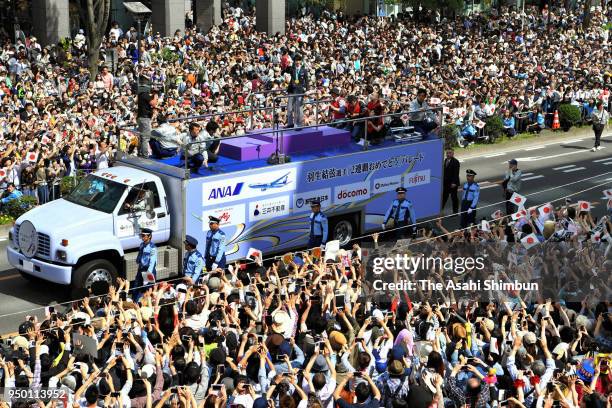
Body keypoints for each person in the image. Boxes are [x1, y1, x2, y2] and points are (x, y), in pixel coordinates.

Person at [286, 54, 308, 129]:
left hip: (300, 91)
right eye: (296, 60)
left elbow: (307, 81)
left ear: (301, 61)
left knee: (299, 108)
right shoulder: (292, 69)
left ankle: (299, 124)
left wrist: (307, 91)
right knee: (289, 108)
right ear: (294, 61)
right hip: (292, 90)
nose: (297, 62)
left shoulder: (304, 70)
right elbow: (287, 70)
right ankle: (290, 124)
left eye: (299, 60)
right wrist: (289, 64)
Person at [134, 228, 157, 299]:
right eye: (141, 235)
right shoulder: (142, 244)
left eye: (143, 235)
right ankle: (135, 302)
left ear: (149, 236)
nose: (142, 237)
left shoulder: (152, 247)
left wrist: (148, 275)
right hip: (141, 269)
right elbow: (140, 254)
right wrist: (138, 260)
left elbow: (152, 262)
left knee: (147, 289)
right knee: (136, 287)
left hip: (148, 270)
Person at [137, 87, 158, 157]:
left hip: (141, 117)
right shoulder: (145, 94)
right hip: (145, 118)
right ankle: (145, 156)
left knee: (142, 137)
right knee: (145, 138)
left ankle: (140, 153)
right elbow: (153, 103)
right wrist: (155, 96)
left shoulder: (140, 95)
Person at [442, 148, 460, 214]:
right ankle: (440, 211)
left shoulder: (456, 162)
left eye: (449, 153)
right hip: (446, 183)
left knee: (454, 198)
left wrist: (454, 183)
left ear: (453, 153)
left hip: (453, 184)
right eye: (447, 153)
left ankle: (455, 212)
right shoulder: (445, 160)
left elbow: (456, 173)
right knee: (444, 197)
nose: (448, 154)